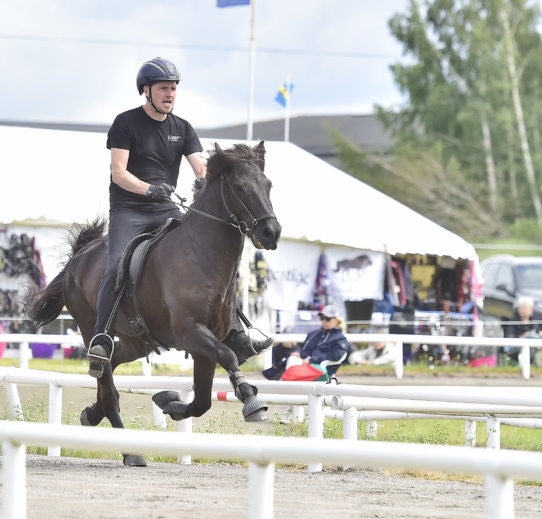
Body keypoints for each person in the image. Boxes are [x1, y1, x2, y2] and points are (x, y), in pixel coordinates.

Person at [87, 57, 271, 376]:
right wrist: (148, 189)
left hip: (166, 208)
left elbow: (200, 166)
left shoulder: (182, 127)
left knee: (205, 258)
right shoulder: (125, 123)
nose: (170, 94)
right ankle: (101, 337)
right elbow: (119, 173)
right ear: (146, 91)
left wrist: (209, 180)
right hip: (130, 210)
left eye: (173, 88)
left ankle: (235, 332)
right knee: (116, 265)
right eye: (163, 88)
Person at [264, 305, 349, 380]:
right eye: (322, 318)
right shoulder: (313, 334)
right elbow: (304, 349)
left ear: (337, 321)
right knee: (292, 359)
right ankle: (284, 380)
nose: (324, 321)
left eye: (327, 319)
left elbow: (335, 356)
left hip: (320, 368)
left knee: (291, 364)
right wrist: (299, 353)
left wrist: (311, 360)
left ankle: (285, 381)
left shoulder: (340, 339)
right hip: (305, 364)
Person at [502, 296, 542, 366]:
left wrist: (540, 334)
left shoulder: (534, 321)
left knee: (534, 339)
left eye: (525, 308)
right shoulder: (513, 321)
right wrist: (523, 336)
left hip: (531, 347)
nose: (522, 311)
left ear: (531, 310)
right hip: (514, 346)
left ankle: (534, 366)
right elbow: (509, 338)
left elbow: (537, 332)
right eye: (521, 308)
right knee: (532, 337)